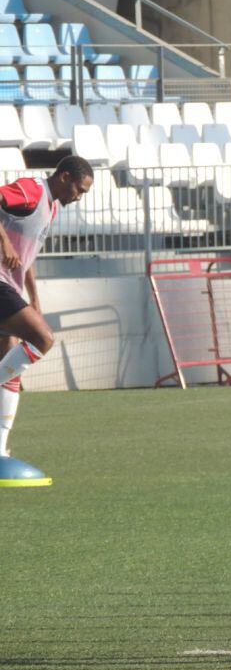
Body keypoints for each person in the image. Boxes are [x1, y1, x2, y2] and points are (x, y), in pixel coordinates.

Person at [0, 156, 94, 457]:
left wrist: (35, 300)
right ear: (64, 177)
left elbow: (26, 256)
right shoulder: (33, 190)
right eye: (79, 190)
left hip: (10, 287)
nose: (78, 198)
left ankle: (0, 452)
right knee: (43, 338)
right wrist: (4, 242)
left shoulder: (50, 207)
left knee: (11, 371)